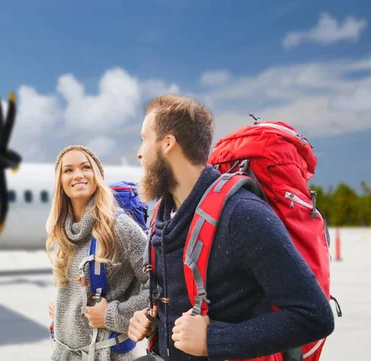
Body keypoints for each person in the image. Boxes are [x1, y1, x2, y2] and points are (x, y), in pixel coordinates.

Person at [127, 95, 335, 360]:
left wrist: (214, 340)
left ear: (168, 143)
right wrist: (151, 319)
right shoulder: (162, 216)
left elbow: (314, 317)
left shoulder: (242, 215)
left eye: (144, 139)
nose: (139, 152)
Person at [45, 145, 150, 361]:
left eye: (86, 167)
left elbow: (160, 288)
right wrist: (66, 310)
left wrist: (112, 315)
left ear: (97, 176)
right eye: (68, 170)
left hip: (106, 355)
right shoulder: (64, 233)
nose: (78, 175)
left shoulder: (119, 227)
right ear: (60, 182)